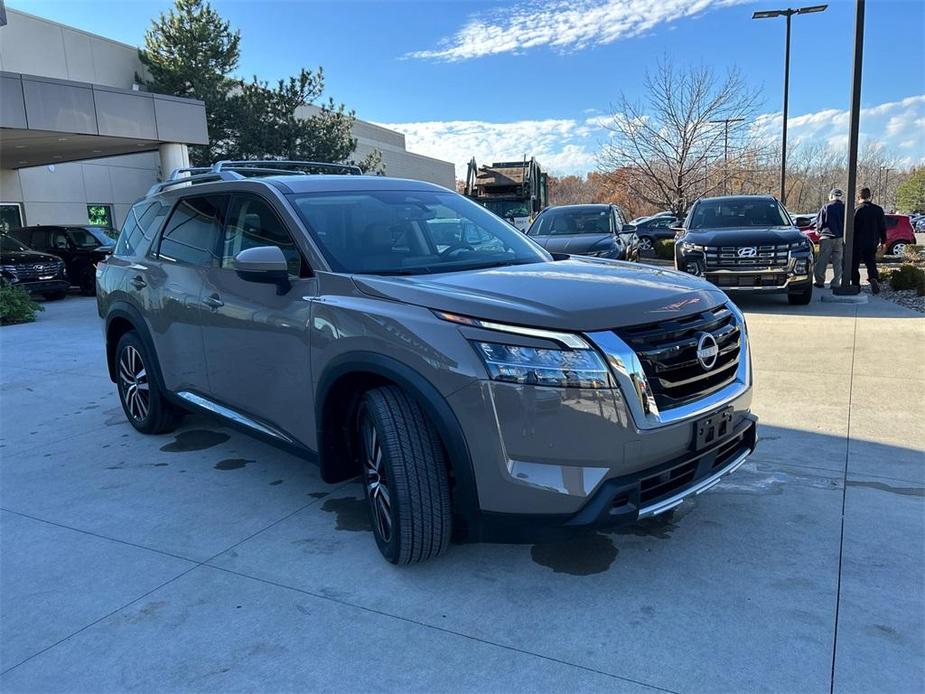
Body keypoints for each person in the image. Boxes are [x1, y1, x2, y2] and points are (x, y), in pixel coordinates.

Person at [850, 187, 887, 294]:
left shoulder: (857, 210)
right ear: (869, 196)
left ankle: (856, 284)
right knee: (871, 261)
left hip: (857, 241)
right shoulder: (878, 210)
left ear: (858, 197)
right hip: (872, 241)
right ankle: (873, 278)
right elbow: (882, 227)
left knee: (854, 264)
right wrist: (883, 240)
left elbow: (852, 227)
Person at [813, 188, 845, 288]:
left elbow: (820, 222)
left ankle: (820, 281)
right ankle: (836, 282)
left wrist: (818, 229)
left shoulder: (826, 207)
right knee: (838, 261)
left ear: (831, 196)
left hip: (826, 237)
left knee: (822, 261)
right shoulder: (845, 208)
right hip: (840, 238)